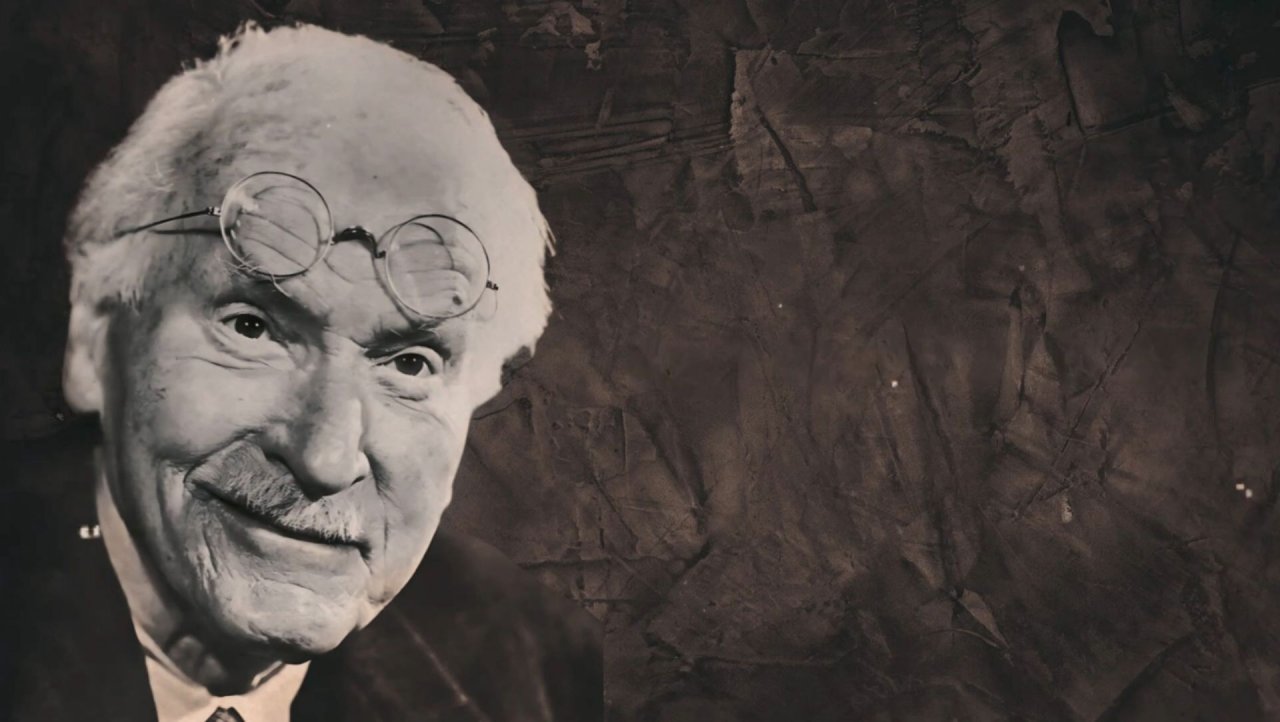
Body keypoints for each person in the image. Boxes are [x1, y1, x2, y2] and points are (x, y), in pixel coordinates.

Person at [0, 22, 602, 722]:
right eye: (251, 328)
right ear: (95, 337)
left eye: (410, 363)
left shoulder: (537, 664)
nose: (324, 458)